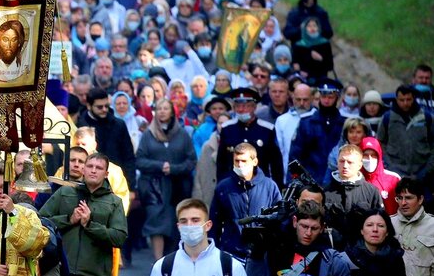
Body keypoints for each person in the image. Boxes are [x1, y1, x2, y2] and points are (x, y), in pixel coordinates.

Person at [136, 99, 197, 260]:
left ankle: (174, 260)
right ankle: (158, 261)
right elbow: (140, 160)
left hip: (177, 186)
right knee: (156, 223)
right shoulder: (148, 135)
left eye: (166, 108)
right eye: (159, 108)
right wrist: (159, 166)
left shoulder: (182, 135)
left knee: (175, 223)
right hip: (154, 186)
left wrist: (174, 168)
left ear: (172, 112)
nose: (162, 111)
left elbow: (191, 160)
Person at [210, 142, 283, 261]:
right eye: (236, 161)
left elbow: (279, 220)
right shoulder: (223, 188)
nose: (240, 165)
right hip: (231, 252)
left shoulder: (270, 186)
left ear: (254, 162)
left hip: (261, 255)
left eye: (244, 161)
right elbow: (215, 222)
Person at [217, 87, 284, 186]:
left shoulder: (267, 129)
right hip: (234, 185)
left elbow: (276, 164)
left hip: (260, 185)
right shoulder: (227, 128)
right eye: (237, 106)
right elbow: (221, 163)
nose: (241, 110)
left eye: (245, 106)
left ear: (254, 107)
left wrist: (277, 188)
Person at [322, 144, 384, 249]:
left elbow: (380, 225)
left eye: (350, 162)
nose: (345, 166)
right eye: (342, 161)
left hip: (364, 253)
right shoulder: (326, 191)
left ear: (360, 165)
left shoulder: (372, 192)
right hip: (333, 252)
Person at [378, 85, 434, 182]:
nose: (405, 103)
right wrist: (390, 166)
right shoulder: (388, 118)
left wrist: (429, 167)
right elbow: (380, 142)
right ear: (396, 99)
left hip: (423, 173)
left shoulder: (426, 117)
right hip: (395, 172)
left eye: (408, 99)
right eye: (401, 100)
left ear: (414, 99)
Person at [77, 87, 137, 191]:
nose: (104, 109)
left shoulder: (118, 125)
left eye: (106, 106)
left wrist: (130, 187)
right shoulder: (80, 126)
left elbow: (128, 158)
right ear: (89, 106)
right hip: (88, 183)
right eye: (100, 107)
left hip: (116, 182)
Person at [291, 77, 345, 183]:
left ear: (337, 98)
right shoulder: (306, 123)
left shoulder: (344, 124)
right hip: (311, 181)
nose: (326, 100)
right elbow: (295, 155)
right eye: (323, 96)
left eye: (330, 97)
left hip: (338, 180)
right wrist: (298, 181)